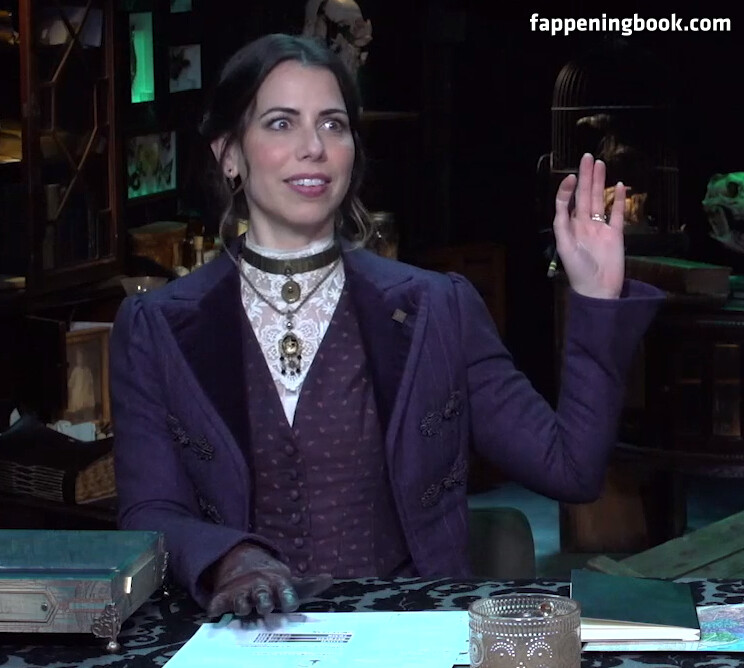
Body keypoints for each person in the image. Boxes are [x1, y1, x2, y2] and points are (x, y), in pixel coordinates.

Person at [110, 33, 664, 620]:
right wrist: (228, 556)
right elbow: (149, 513)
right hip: (243, 641)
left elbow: (571, 468)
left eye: (332, 125)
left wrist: (595, 298)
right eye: (280, 124)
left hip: (409, 636)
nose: (313, 148)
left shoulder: (438, 309)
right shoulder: (156, 327)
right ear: (229, 153)